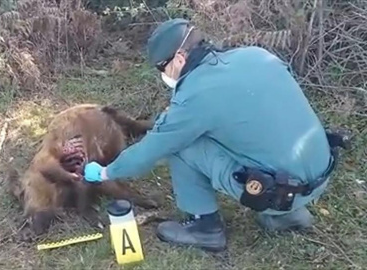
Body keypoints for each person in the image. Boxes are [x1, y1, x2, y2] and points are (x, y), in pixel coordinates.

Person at [82, 18, 337, 252]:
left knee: (182, 145)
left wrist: (105, 172)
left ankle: (205, 228)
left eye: (162, 66)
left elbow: (151, 150)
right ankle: (288, 214)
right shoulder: (255, 55)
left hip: (279, 192)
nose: (163, 74)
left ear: (180, 58)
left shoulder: (195, 95)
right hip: (319, 172)